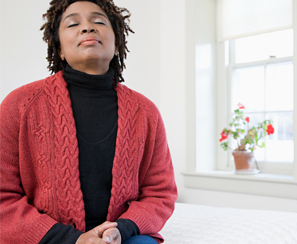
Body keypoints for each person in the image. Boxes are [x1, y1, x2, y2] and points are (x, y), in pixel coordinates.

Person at [0, 0, 177, 243]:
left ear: (117, 44)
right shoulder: (19, 105)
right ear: (59, 48)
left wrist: (123, 229)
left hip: (122, 237)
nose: (87, 28)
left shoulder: (146, 112)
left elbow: (160, 193)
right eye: (73, 23)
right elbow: (3, 197)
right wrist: (71, 239)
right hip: (47, 238)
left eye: (99, 21)